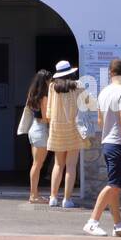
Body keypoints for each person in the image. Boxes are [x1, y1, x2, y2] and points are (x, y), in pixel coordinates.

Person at [84, 59, 121, 237]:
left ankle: (118, 223)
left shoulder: (103, 92)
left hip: (107, 142)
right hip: (119, 143)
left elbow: (100, 120)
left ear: (110, 73)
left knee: (115, 185)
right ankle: (92, 221)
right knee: (114, 185)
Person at [46, 60, 86, 208]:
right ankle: (67, 199)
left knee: (58, 164)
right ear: (71, 72)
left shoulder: (52, 87)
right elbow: (86, 106)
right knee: (71, 165)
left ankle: (53, 197)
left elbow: (49, 112)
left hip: (56, 128)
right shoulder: (79, 86)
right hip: (74, 128)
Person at [21, 69, 54, 203]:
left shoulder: (31, 94)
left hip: (33, 128)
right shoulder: (44, 97)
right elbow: (46, 117)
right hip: (41, 130)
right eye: (49, 81)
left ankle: (33, 194)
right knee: (38, 164)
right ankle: (34, 195)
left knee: (35, 164)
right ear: (45, 81)